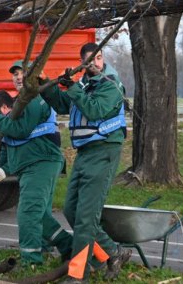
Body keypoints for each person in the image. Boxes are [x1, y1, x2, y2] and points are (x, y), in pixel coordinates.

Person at [39, 43, 131, 283]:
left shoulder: (111, 84)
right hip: (84, 153)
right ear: (82, 62)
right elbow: (63, 105)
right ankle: (111, 253)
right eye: (90, 60)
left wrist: (73, 88)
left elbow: (95, 110)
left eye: (99, 58)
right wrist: (47, 85)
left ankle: (78, 275)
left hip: (104, 152)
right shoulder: (83, 84)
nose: (96, 63)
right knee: (71, 210)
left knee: (86, 218)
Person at [0, 60, 72, 266]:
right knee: (39, 214)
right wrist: (4, 167)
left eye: (22, 73)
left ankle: (31, 261)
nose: (17, 77)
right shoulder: (21, 101)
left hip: (41, 162)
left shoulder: (34, 98)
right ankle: (70, 247)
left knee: (28, 212)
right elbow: (10, 139)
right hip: (33, 163)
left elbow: (19, 130)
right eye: (14, 74)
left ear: (33, 75)